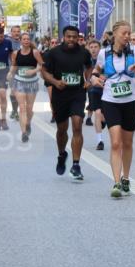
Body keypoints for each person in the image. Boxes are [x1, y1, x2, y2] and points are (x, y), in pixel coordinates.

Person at [89, 20, 135, 197]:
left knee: (127, 142)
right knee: (116, 142)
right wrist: (94, 78)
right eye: (124, 33)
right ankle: (116, 182)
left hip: (131, 101)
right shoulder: (103, 52)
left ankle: (126, 178)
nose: (127, 36)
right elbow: (96, 70)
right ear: (114, 34)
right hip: (110, 100)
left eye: (129, 33)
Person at [43, 25, 94, 180]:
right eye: (68, 37)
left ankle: (76, 165)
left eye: (74, 37)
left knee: (77, 125)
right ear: (63, 37)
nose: (71, 39)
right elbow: (44, 72)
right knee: (62, 129)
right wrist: (55, 81)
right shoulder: (53, 53)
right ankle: (61, 154)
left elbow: (89, 66)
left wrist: (88, 79)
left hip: (77, 93)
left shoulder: (83, 52)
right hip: (60, 94)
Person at [8, 32, 44, 143]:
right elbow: (14, 65)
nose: (26, 41)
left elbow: (42, 64)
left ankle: (27, 123)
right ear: (20, 41)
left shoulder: (35, 52)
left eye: (28, 39)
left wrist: (34, 70)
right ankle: (23, 132)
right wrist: (10, 73)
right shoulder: (15, 53)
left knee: (29, 108)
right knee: (22, 108)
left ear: (30, 41)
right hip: (19, 82)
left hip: (32, 82)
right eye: (24, 39)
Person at [86, 39, 106, 150]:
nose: (93, 49)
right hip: (94, 91)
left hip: (106, 90)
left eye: (95, 47)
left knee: (104, 116)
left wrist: (104, 76)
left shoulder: (105, 59)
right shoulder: (87, 61)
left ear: (100, 48)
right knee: (97, 113)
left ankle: (104, 120)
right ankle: (100, 141)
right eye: (91, 47)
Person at [8, 25, 22, 121]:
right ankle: (14, 110)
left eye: (18, 31)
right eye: (14, 31)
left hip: (23, 71)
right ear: (11, 33)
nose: (16, 33)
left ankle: (19, 111)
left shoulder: (24, 42)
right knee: (14, 91)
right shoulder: (8, 43)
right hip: (12, 70)